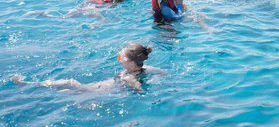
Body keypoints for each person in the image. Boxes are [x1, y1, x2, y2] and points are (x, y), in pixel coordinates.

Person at [11, 43, 167, 93]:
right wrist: (155, 79)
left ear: (132, 63)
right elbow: (163, 72)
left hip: (94, 92)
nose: (120, 60)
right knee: (65, 91)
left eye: (122, 58)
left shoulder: (128, 77)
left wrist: (139, 88)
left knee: (69, 83)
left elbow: (137, 87)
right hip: (99, 90)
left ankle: (26, 84)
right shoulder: (147, 68)